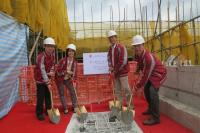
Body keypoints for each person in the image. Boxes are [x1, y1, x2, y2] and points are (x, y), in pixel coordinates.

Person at [132, 35, 167, 125]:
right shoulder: (137, 55)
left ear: (143, 45)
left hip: (159, 74)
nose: (137, 48)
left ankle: (156, 118)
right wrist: (136, 71)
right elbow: (140, 65)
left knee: (152, 91)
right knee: (146, 90)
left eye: (139, 45)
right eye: (135, 46)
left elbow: (146, 75)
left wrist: (137, 87)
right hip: (151, 74)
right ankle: (151, 108)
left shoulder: (148, 57)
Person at [107, 30, 134, 115]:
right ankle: (120, 105)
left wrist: (115, 70)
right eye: (110, 38)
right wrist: (110, 67)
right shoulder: (110, 49)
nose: (111, 39)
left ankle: (130, 105)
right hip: (115, 73)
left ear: (116, 37)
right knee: (117, 90)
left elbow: (123, 61)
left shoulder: (121, 47)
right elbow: (108, 59)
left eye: (113, 37)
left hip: (122, 72)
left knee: (126, 89)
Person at [35, 37, 56, 121]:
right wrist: (47, 82)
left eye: (52, 46)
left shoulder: (52, 56)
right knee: (41, 97)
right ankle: (39, 113)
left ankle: (49, 110)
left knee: (48, 95)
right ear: (44, 46)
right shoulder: (40, 57)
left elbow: (52, 65)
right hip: (40, 79)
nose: (50, 48)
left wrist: (51, 73)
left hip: (47, 78)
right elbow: (42, 70)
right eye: (48, 46)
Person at [56, 44, 78, 114]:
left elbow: (75, 73)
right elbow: (58, 71)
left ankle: (75, 107)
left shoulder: (74, 62)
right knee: (62, 93)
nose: (70, 53)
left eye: (72, 51)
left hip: (69, 79)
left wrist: (74, 80)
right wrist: (66, 72)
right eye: (69, 51)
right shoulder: (63, 60)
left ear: (74, 52)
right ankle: (65, 108)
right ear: (67, 52)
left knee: (73, 92)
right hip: (60, 79)